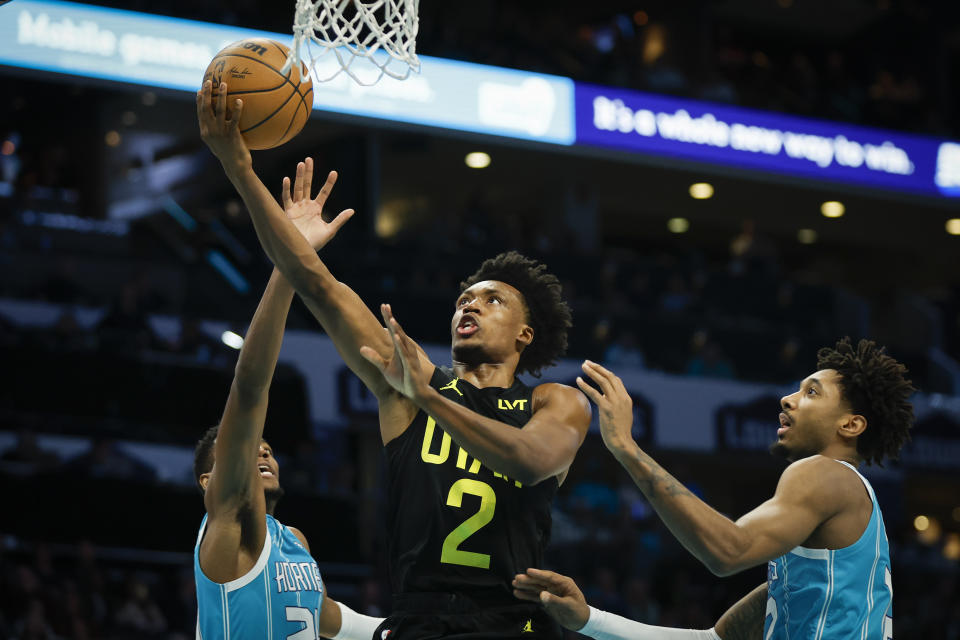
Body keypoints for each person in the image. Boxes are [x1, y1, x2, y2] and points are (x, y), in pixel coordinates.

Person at [197, 79, 592, 639]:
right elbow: (317, 285)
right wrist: (241, 170)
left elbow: (530, 461)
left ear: (526, 334)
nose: (469, 304)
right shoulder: (408, 384)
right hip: (419, 622)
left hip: (511, 624)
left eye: (491, 298)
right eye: (463, 297)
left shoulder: (552, 401)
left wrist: (428, 397)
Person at [537, 338, 913, 638]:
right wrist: (588, 619)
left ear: (851, 425)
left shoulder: (825, 473)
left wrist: (626, 448)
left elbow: (729, 551)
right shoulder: (811, 579)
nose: (788, 399)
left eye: (812, 393)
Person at [190, 150, 381, 640]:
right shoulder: (226, 521)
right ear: (209, 482)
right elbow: (251, 387)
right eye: (246, 450)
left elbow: (337, 623)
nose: (261, 452)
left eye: (267, 449)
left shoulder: (293, 542)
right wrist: (291, 261)